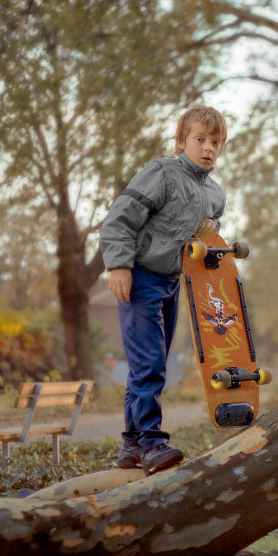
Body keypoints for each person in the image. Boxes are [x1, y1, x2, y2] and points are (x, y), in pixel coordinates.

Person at [99, 106, 228, 474]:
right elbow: (119, 219)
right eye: (200, 139)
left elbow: (205, 241)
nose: (208, 148)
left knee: (150, 364)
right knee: (149, 364)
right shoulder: (162, 173)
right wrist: (119, 266)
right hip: (139, 278)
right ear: (181, 141)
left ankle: (131, 445)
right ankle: (153, 443)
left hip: (173, 282)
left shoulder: (215, 194)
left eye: (215, 142)